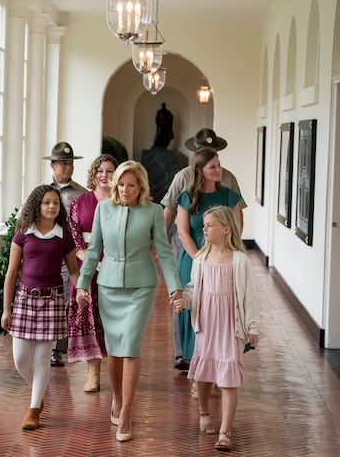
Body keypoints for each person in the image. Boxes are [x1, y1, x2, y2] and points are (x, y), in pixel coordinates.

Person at [75, 161, 182, 443]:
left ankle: (126, 413)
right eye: (120, 184)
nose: (124, 189)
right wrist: (82, 284)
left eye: (130, 185)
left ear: (141, 187)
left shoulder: (154, 212)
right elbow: (93, 250)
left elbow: (164, 251)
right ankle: (118, 398)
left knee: (131, 347)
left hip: (141, 287)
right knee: (113, 350)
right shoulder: (104, 209)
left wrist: (175, 288)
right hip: (108, 286)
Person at [173, 206, 260, 452]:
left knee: (228, 379)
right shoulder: (200, 258)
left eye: (209, 225)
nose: (204, 228)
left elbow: (249, 297)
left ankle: (225, 432)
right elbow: (192, 289)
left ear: (226, 228)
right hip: (207, 324)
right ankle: (204, 414)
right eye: (204, 224)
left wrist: (252, 326)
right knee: (203, 375)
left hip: (230, 327)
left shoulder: (240, 260)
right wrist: (184, 301)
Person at [160, 128, 245, 371]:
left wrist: (230, 250)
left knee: (218, 301)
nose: (215, 166)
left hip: (222, 248)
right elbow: (171, 212)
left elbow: (238, 218)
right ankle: (183, 353)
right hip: (189, 246)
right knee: (186, 296)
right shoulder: (182, 178)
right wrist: (162, 243)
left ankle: (214, 352)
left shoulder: (228, 179)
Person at [2, 184, 79, 431]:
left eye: (55, 203)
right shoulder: (24, 231)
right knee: (20, 359)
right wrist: (6, 309)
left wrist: (84, 290)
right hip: (25, 300)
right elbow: (11, 272)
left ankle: (34, 408)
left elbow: (74, 271)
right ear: (37, 204)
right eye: (46, 202)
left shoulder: (64, 236)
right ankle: (38, 391)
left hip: (53, 300)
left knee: (43, 357)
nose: (51, 207)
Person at [66, 153, 118, 392]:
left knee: (114, 320)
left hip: (117, 265)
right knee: (87, 317)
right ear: (93, 175)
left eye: (109, 171)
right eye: (100, 171)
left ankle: (118, 372)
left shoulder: (122, 201)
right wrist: (91, 262)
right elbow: (74, 237)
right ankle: (93, 372)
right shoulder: (80, 202)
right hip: (86, 266)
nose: (104, 175)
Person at [44, 141, 86, 367]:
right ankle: (46, 346)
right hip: (47, 256)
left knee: (67, 301)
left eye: (70, 163)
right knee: (49, 301)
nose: (67, 168)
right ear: (52, 165)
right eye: (62, 163)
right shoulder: (42, 192)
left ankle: (58, 349)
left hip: (71, 255)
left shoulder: (81, 194)